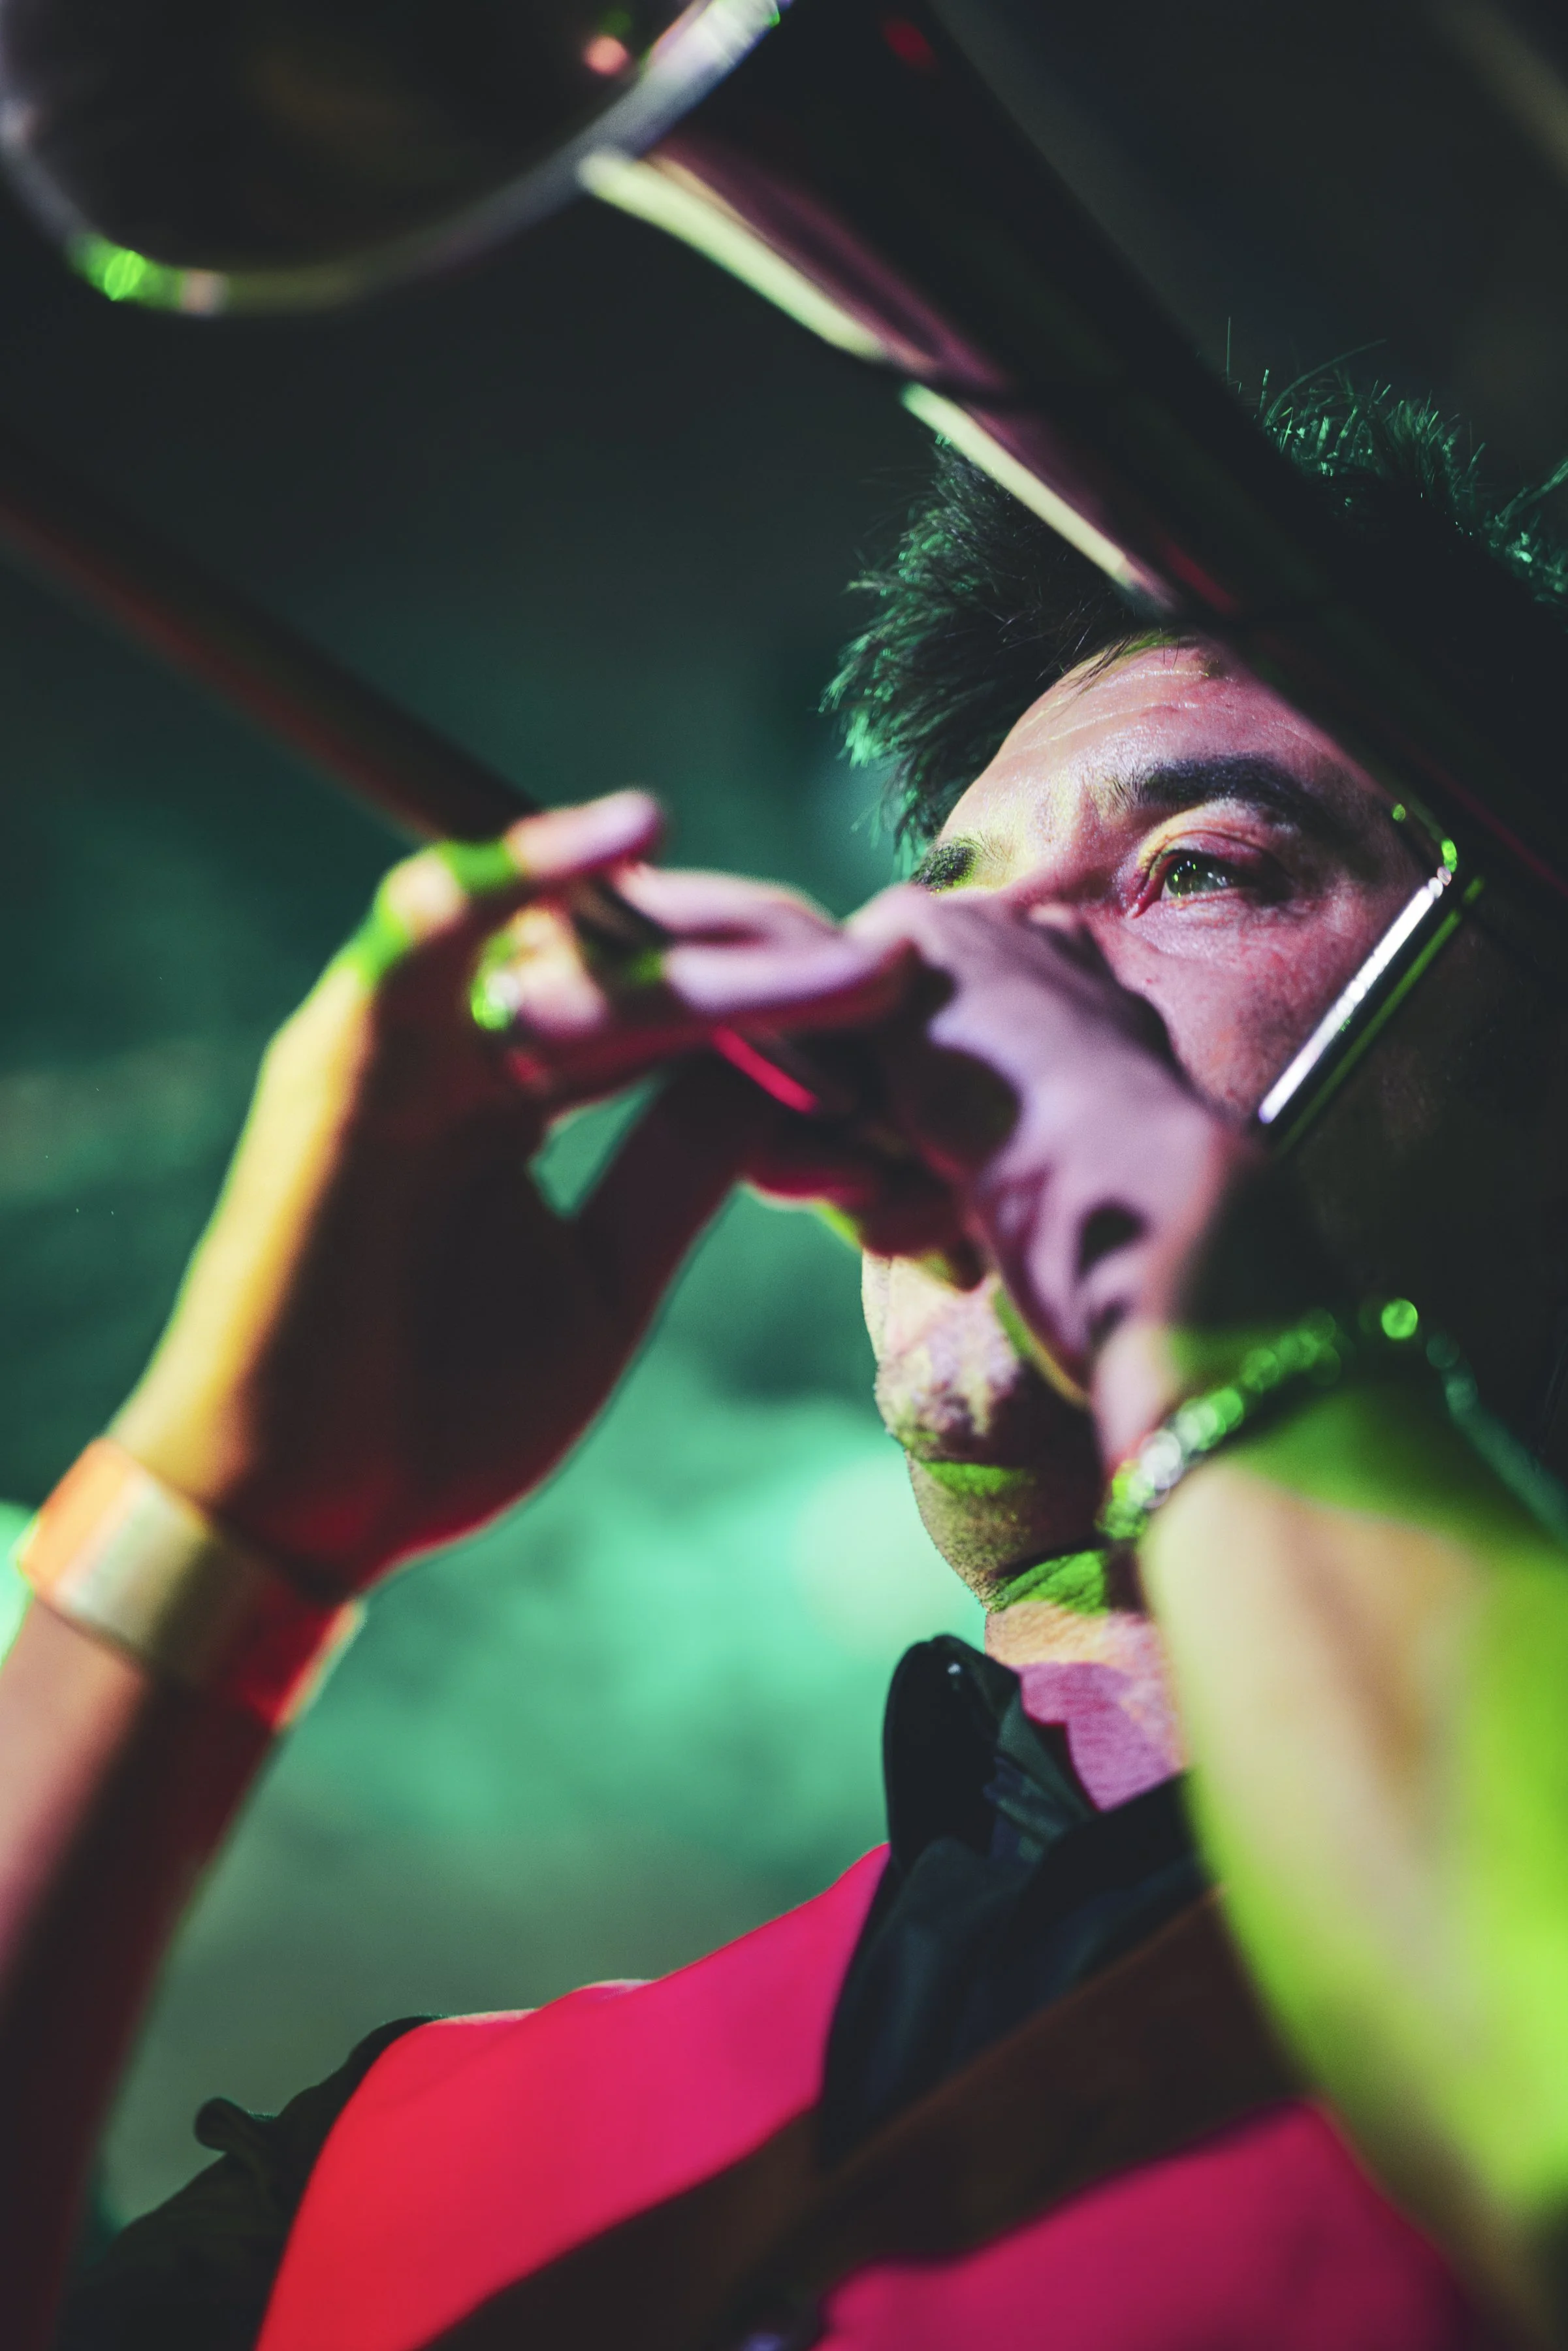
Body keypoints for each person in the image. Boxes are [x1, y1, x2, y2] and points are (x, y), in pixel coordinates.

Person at [7, 371, 1568, 2351]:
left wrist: (1186, 1278)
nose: (973, 983)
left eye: (1196, 866)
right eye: (947, 916)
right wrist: (225, 1517)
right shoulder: (388, 2152)